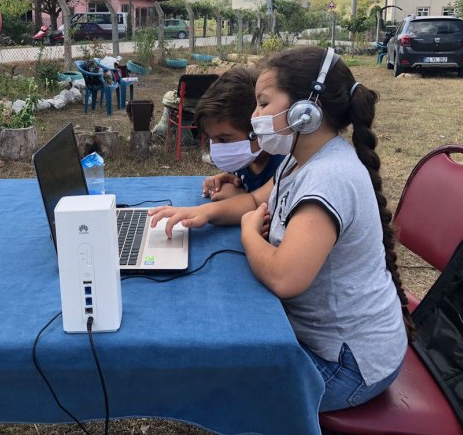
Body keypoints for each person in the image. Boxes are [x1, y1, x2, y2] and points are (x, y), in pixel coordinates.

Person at [149, 46, 411, 412]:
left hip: (348, 368)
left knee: (215, 382)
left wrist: (247, 233)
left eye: (263, 103)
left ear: (307, 110)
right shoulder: (300, 158)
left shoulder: (327, 179)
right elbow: (258, 201)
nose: (255, 116)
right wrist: (203, 214)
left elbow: (284, 277)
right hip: (334, 346)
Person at [194, 68, 284, 200]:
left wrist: (241, 199)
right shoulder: (243, 161)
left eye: (223, 139)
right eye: (211, 139)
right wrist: (224, 180)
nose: (217, 148)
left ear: (257, 131)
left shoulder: (286, 167)